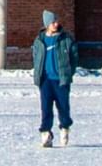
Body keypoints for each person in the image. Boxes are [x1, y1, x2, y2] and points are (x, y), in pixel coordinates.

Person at [31, 10, 78, 146]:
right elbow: (35, 56)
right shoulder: (40, 40)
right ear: (47, 24)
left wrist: (68, 72)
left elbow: (74, 57)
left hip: (60, 79)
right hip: (45, 80)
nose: (56, 24)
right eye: (53, 22)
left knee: (63, 106)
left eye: (57, 21)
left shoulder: (66, 39)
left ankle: (65, 127)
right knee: (46, 107)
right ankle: (46, 132)